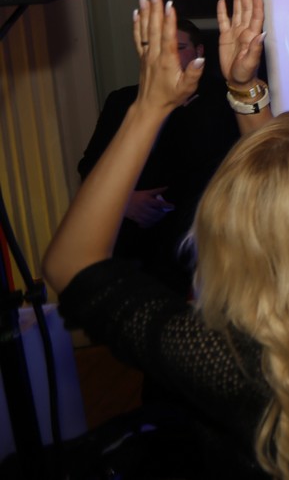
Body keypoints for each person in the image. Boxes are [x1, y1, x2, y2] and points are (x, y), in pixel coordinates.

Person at [44, 0, 289, 478]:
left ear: (222, 239)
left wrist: (149, 106)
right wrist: (244, 88)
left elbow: (71, 265)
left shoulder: (218, 358)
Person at [76, 17, 240, 296]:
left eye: (180, 47)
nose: (170, 55)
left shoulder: (223, 100)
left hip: (203, 238)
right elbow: (89, 166)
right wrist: (124, 201)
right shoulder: (122, 101)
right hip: (132, 243)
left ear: (199, 52)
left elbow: (228, 166)